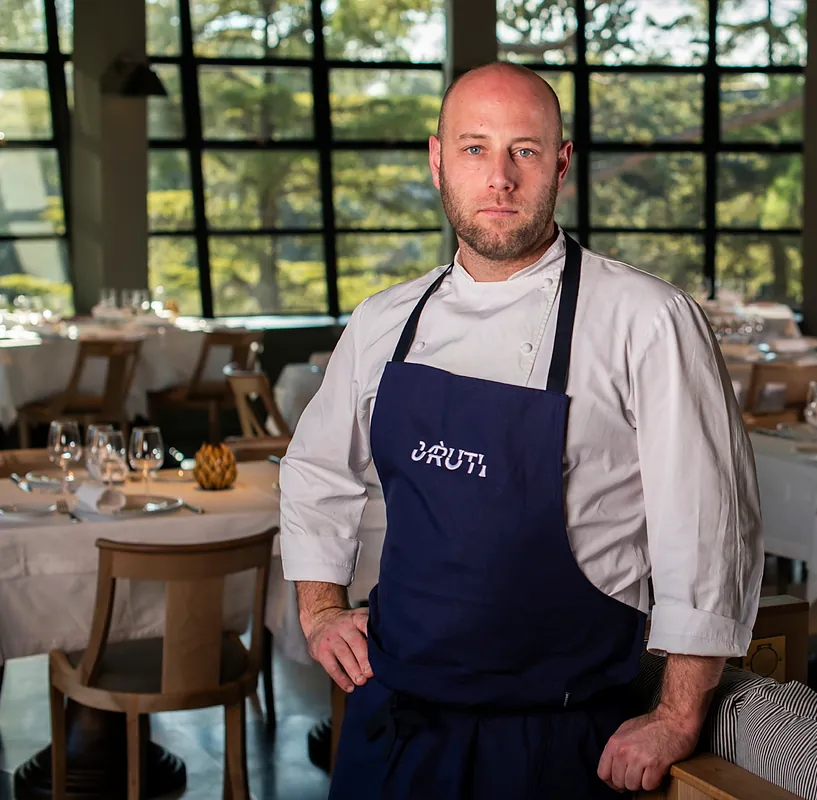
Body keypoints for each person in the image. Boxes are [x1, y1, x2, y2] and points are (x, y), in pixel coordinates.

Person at [278, 61, 763, 798]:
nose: (499, 178)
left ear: (561, 165)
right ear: (438, 161)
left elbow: (709, 525)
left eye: (524, 151)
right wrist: (319, 611)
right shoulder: (384, 321)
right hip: (397, 725)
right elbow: (317, 470)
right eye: (474, 148)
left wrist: (676, 714)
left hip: (557, 738)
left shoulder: (648, 319)